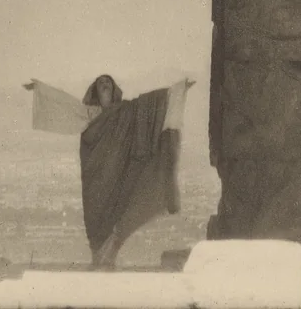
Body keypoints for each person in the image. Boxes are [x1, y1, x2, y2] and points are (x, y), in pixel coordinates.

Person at [23, 73, 196, 269]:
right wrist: (39, 89)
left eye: (108, 82)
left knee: (118, 214)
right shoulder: (88, 113)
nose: (104, 85)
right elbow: (64, 105)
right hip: (96, 178)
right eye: (100, 82)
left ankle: (108, 259)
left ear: (114, 89)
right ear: (95, 90)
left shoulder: (128, 111)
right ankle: (98, 260)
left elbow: (154, 104)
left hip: (119, 175)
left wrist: (178, 90)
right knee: (95, 218)